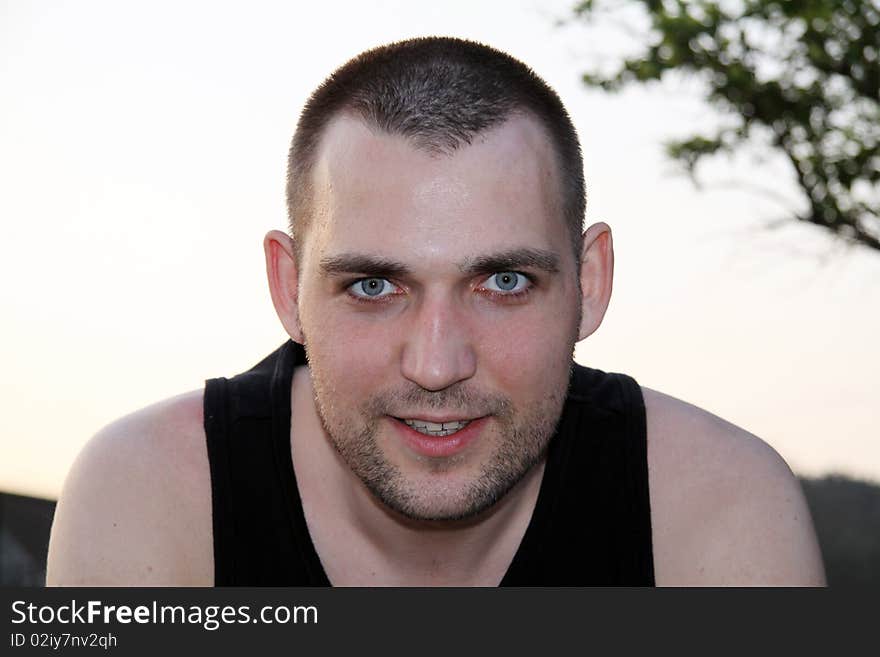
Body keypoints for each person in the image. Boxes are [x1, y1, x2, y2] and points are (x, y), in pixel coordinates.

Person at [46, 37, 825, 586]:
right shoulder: (151, 497)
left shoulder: (719, 509)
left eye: (506, 281)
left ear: (590, 280)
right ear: (289, 289)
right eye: (374, 287)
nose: (437, 362)